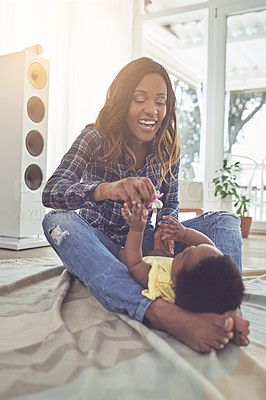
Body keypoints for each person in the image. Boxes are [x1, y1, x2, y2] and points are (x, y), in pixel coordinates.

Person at [42, 57, 249, 353]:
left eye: (160, 102)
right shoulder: (94, 137)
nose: (152, 110)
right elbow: (52, 192)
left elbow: (171, 201)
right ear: (123, 101)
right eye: (140, 99)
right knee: (56, 221)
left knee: (225, 220)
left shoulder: (167, 148)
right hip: (98, 243)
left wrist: (167, 230)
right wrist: (107, 189)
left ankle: (226, 310)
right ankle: (162, 314)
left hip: (145, 242)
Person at [121, 201, 244, 316]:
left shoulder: (161, 281)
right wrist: (184, 234)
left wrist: (136, 230)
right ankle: (231, 310)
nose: (188, 248)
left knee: (121, 259)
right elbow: (208, 246)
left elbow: (135, 264)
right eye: (194, 248)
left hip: (136, 252)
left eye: (186, 255)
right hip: (157, 250)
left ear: (174, 285)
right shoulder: (188, 280)